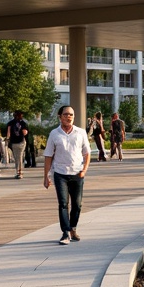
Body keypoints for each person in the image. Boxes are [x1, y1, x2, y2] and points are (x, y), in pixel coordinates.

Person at [44, 105, 91, 244]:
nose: (68, 117)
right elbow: (48, 155)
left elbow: (87, 153)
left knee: (77, 204)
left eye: (71, 114)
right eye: (65, 114)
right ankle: (65, 232)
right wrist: (46, 176)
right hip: (60, 173)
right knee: (63, 203)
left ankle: (73, 228)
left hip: (77, 173)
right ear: (60, 116)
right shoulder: (54, 134)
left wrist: (84, 170)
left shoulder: (81, 132)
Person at [5, 110, 29, 179]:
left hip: (14, 142)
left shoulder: (10, 123)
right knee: (20, 156)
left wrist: (7, 140)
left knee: (16, 157)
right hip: (21, 141)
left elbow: (8, 134)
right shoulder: (23, 123)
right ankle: (20, 172)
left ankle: (18, 171)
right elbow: (25, 132)